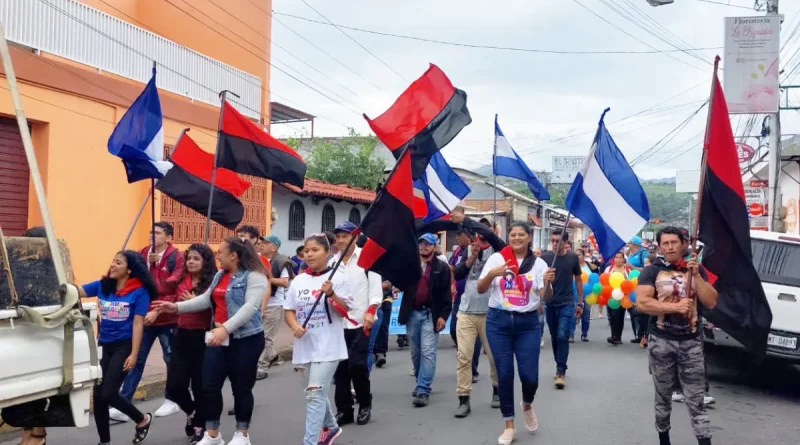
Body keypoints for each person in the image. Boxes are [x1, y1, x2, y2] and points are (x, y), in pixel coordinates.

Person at [153, 237, 270, 445]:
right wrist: (177, 308)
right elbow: (206, 299)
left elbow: (250, 308)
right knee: (209, 386)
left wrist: (225, 328)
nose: (217, 256)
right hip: (218, 338)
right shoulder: (220, 275)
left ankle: (242, 434)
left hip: (246, 340)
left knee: (241, 388)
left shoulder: (255, 276)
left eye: (220, 252)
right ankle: (213, 434)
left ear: (233, 255)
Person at [636, 226, 718, 445]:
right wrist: (675, 307)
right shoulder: (652, 271)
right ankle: (664, 438)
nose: (670, 247)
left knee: (696, 399)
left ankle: (704, 441)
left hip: (691, 343)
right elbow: (642, 302)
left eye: (674, 242)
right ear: (660, 246)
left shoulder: (696, 269)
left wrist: (695, 277)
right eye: (665, 243)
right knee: (663, 396)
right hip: (661, 341)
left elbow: (711, 301)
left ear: (683, 244)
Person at [477, 222, 551, 445]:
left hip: (527, 323)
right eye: (513, 234)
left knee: (530, 377)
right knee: (505, 374)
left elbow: (544, 297)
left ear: (530, 238)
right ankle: (509, 424)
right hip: (498, 322)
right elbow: (481, 288)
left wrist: (547, 283)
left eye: (521, 235)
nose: (517, 238)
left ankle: (527, 403)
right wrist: (492, 274)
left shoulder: (539, 264)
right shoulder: (497, 259)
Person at [76, 251, 156, 445]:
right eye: (112, 261)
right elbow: (77, 291)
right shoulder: (103, 286)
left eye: (118, 263)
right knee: (98, 397)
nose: (112, 265)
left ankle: (142, 419)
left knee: (109, 392)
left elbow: (138, 324)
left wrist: (134, 354)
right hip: (104, 344)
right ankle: (105, 442)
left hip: (124, 346)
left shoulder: (139, 292)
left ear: (129, 269)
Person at [284, 233, 353, 445]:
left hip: (329, 347)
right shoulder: (299, 281)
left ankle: (310, 442)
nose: (309, 254)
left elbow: (345, 311)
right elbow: (289, 310)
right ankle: (331, 427)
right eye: (306, 250)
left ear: (327, 252)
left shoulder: (338, 277)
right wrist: (295, 326)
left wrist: (331, 294)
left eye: (315, 250)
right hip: (305, 346)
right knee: (313, 393)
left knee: (315, 395)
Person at [111, 222, 183, 422]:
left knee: (170, 358)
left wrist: (157, 268)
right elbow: (135, 278)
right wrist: (146, 266)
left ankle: (172, 399)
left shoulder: (177, 257)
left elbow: (174, 285)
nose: (152, 235)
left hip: (168, 317)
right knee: (136, 358)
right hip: (144, 314)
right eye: (151, 232)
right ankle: (124, 402)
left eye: (157, 233)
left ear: (168, 237)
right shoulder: (142, 253)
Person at [330, 222, 382, 426]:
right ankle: (344, 410)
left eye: (345, 236)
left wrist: (372, 310)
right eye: (338, 237)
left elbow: (375, 287)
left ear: (355, 236)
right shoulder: (333, 262)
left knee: (357, 365)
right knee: (340, 369)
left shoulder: (367, 258)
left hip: (362, 320)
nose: (341, 240)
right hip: (338, 322)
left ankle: (365, 403)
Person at [164, 244, 216, 444]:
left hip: (202, 337)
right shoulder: (181, 280)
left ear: (205, 262)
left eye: (196, 258)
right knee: (174, 386)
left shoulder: (210, 283)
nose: (191, 262)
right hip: (181, 335)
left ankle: (199, 425)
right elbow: (171, 298)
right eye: (189, 258)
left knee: (199, 385)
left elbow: (218, 307)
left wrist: (198, 301)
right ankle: (192, 412)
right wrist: (157, 310)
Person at [398, 233, 453, 407]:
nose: (424, 247)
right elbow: (401, 284)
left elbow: (446, 295)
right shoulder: (410, 266)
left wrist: (443, 316)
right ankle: (420, 380)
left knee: (428, 351)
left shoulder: (442, 268)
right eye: (421, 244)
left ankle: (423, 389)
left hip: (431, 314)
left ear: (434, 247)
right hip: (412, 313)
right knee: (415, 352)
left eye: (428, 244)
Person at [452, 229, 499, 418]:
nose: (479, 240)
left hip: (490, 313)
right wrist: (471, 256)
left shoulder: (496, 254)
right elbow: (458, 274)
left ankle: (497, 390)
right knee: (464, 356)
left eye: (482, 236)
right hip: (466, 313)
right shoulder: (464, 252)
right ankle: (464, 399)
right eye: (475, 238)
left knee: (494, 358)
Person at [540, 230, 583, 389]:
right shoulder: (545, 258)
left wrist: (580, 303)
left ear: (566, 242)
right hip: (550, 303)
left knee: (562, 335)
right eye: (553, 240)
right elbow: (538, 280)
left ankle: (560, 372)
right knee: (554, 336)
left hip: (567, 303)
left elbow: (578, 280)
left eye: (558, 240)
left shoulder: (572, 258)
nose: (555, 243)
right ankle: (559, 363)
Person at [257, 235, 295, 380]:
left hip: (274, 303)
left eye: (266, 243)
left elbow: (285, 282)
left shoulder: (280, 261)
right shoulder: (257, 259)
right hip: (258, 303)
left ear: (274, 247)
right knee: (258, 336)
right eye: (261, 242)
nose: (261, 245)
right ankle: (272, 355)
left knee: (267, 337)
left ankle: (262, 367)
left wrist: (266, 279)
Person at [449, 228, 482, 382]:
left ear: (468, 238)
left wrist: (474, 255)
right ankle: (464, 352)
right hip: (459, 298)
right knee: (453, 329)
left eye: (459, 235)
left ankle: (472, 369)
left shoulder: (477, 252)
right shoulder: (457, 252)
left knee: (475, 337)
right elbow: (455, 271)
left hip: (476, 300)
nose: (457, 238)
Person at [605, 251, 632, 345]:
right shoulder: (609, 269)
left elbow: (631, 282)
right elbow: (604, 280)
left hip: (624, 297)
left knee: (620, 317)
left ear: (623, 259)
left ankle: (617, 336)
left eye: (620, 258)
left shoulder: (627, 270)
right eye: (616, 257)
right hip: (611, 296)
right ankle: (614, 336)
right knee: (612, 316)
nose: (618, 259)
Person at [573, 249, 591, 342]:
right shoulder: (572, 265)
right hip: (575, 293)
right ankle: (571, 334)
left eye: (579, 255)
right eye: (575, 255)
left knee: (586, 315)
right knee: (573, 314)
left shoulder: (589, 266)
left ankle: (584, 334)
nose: (577, 257)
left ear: (584, 256)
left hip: (587, 294)